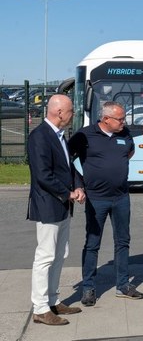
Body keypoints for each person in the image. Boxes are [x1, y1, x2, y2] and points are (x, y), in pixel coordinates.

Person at [69, 101, 143, 306]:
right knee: (93, 244)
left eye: (124, 118)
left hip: (121, 198)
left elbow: (129, 152)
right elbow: (66, 161)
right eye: (120, 119)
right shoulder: (84, 135)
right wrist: (78, 184)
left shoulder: (125, 133)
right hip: (96, 199)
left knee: (123, 241)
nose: (124, 122)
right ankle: (89, 288)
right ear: (105, 119)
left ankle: (122, 285)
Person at [27, 94, 85, 326]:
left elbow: (68, 168)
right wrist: (68, 193)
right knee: (45, 256)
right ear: (59, 112)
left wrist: (78, 185)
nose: (73, 116)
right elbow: (43, 175)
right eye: (71, 111)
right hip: (48, 205)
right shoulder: (39, 136)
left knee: (60, 255)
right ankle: (40, 308)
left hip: (62, 206)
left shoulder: (59, 136)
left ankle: (52, 300)